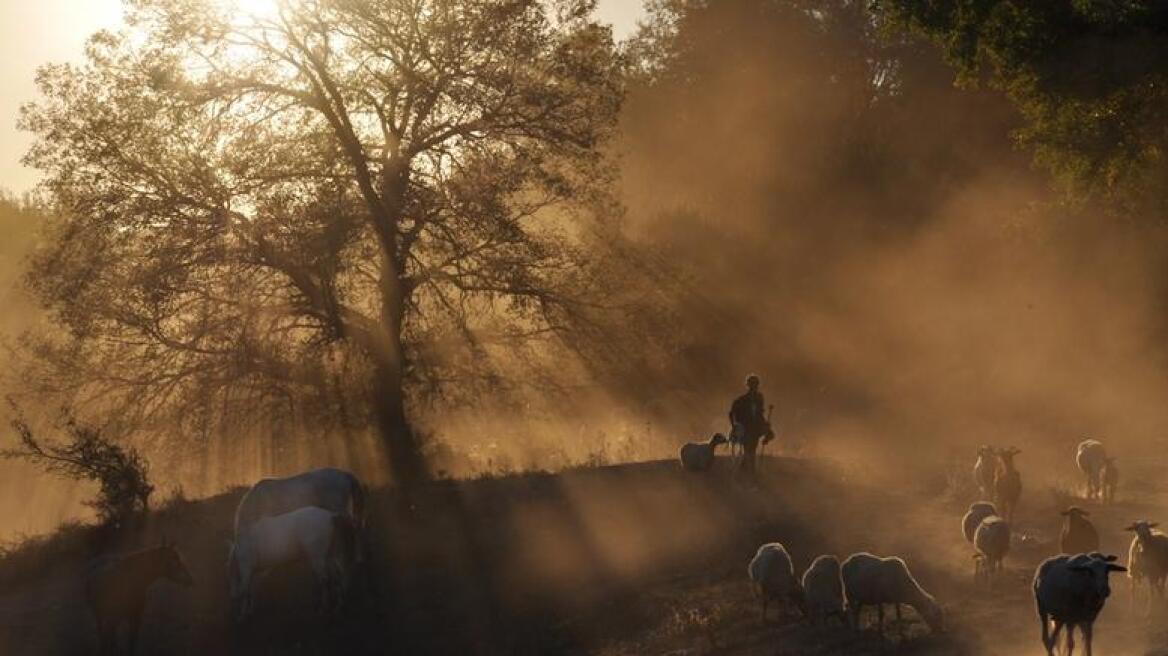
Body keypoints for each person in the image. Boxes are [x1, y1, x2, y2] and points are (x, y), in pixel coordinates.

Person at [729, 374, 774, 478]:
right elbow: (732, 413)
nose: (754, 388)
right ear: (748, 386)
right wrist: (734, 426)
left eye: (756, 385)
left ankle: (745, 471)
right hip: (746, 428)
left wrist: (766, 426)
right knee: (749, 449)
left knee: (752, 448)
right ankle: (749, 472)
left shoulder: (759, 398)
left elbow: (760, 414)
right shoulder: (742, 400)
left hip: (755, 427)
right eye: (752, 385)